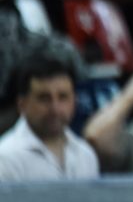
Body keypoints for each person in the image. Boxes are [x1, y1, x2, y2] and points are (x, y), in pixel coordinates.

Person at [0, 53, 98, 181]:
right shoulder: (5, 157)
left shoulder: (86, 154)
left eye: (63, 97)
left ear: (74, 101)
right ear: (22, 104)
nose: (55, 109)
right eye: (44, 98)